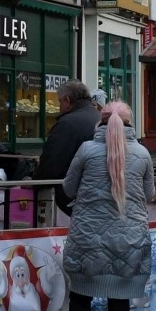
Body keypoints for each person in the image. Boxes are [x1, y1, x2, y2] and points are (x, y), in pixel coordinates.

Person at [57, 101, 155, 311]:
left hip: (88, 237)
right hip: (129, 239)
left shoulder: (87, 150)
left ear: (100, 122)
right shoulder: (142, 153)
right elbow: (149, 194)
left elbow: (68, 187)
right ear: (129, 123)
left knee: (81, 296)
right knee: (119, 298)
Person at [36, 81, 99, 216]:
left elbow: (52, 162)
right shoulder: (99, 117)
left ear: (67, 101)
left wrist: (36, 181)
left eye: (59, 102)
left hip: (76, 196)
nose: (59, 107)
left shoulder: (67, 124)